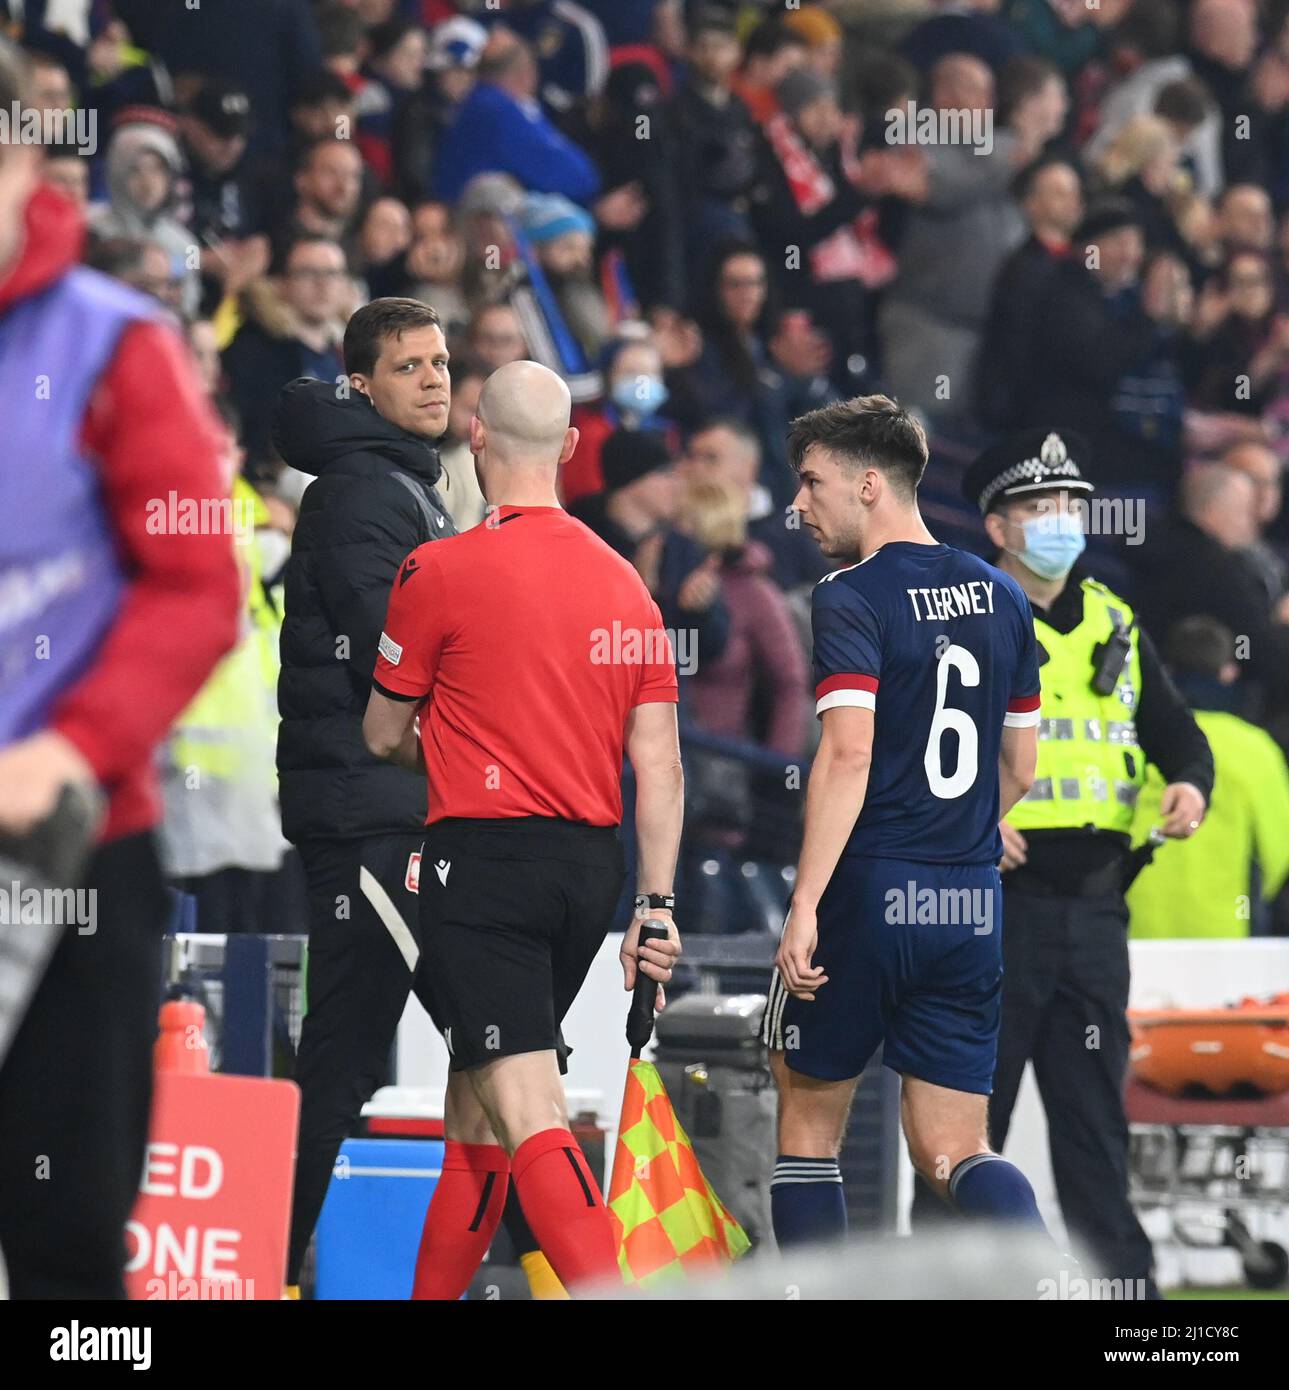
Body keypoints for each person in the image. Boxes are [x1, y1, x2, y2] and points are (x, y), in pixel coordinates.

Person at [0, 38, 240, 1297]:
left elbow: (198, 589)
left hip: (72, 849)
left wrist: (68, 748)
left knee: (68, 1242)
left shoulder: (114, 342)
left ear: (25, 153)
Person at [362, 359, 684, 1295]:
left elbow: (383, 733)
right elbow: (659, 765)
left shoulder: (438, 569)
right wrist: (654, 909)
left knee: (527, 1102)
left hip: (483, 865)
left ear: (475, 436)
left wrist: (456, 746)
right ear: (573, 450)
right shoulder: (627, 587)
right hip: (590, 871)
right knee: (475, 1113)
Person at [760, 395, 1052, 1252]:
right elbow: (1021, 769)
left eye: (811, 483)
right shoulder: (1002, 595)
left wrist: (806, 900)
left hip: (869, 886)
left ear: (869, 483)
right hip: (966, 901)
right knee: (954, 1148)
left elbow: (846, 755)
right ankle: (1046, 1275)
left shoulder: (850, 594)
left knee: (809, 1127)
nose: (798, 505)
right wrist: (958, 836)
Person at [940, 428, 1216, 1296]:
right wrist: (970, 826)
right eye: (1037, 508)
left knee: (1094, 1120)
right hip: (997, 906)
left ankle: (1124, 1293)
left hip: (1095, 909)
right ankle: (942, 1282)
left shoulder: (1115, 621)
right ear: (996, 526)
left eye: (1069, 505)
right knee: (964, 1124)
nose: (1059, 520)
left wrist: (1190, 787)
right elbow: (914, 754)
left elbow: (1177, 737)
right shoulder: (971, 617)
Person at [271, 297, 458, 1294]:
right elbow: (401, 649)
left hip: (389, 809)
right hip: (370, 814)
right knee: (475, 1043)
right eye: (407, 366)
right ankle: (259, 1262)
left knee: (485, 1047)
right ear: (360, 386)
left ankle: (267, 1256)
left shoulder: (397, 483)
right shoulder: (361, 493)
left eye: (438, 361)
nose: (432, 378)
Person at [1128, 617, 1289, 939]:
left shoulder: (1135, 738)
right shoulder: (1254, 748)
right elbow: (1278, 849)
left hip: (1134, 926)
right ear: (1229, 672)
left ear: (1166, 672)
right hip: (1224, 932)